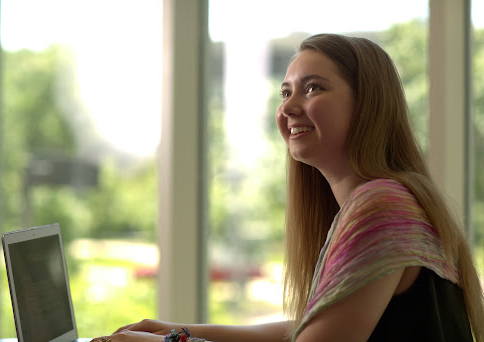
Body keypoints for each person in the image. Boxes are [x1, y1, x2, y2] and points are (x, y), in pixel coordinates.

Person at [92, 33, 484, 342]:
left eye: (313, 88)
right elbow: (309, 329)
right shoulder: (384, 199)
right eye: (285, 92)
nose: (288, 108)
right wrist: (182, 330)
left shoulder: (382, 205)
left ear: (368, 106)